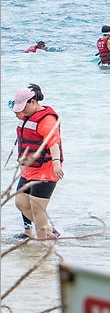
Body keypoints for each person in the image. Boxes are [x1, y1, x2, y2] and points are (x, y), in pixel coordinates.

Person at [11, 85, 63, 240]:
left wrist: (56, 163)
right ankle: (49, 231)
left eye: (23, 107)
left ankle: (42, 242)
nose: (22, 111)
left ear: (33, 102)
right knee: (20, 202)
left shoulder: (46, 119)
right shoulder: (28, 115)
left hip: (45, 169)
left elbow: (53, 142)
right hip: (29, 169)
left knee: (37, 208)